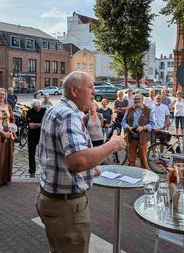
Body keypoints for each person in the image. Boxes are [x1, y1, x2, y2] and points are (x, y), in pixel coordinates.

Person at [35, 71, 125, 253]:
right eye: (90, 86)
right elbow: (78, 161)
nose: (94, 91)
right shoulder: (69, 115)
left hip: (50, 198)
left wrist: (90, 167)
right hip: (66, 208)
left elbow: (61, 154)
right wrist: (112, 145)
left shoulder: (55, 109)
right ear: (74, 91)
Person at [122, 93, 154, 168]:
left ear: (142, 100)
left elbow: (152, 124)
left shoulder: (147, 110)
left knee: (143, 161)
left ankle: (143, 177)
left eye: (138, 99)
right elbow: (123, 122)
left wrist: (143, 127)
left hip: (142, 139)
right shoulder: (129, 110)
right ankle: (132, 176)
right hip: (131, 138)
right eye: (135, 99)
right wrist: (128, 127)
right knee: (131, 161)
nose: (136, 101)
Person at [26, 99, 46, 178]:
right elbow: (30, 126)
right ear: (33, 107)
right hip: (32, 136)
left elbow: (46, 124)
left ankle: (45, 170)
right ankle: (32, 171)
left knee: (44, 154)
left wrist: (36, 125)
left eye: (38, 107)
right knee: (31, 154)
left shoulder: (45, 111)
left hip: (42, 135)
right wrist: (40, 124)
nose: (37, 109)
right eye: (35, 108)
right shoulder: (30, 112)